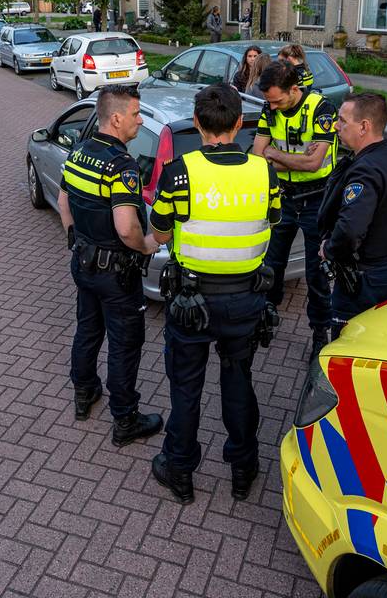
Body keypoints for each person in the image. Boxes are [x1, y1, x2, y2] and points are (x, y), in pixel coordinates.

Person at [149, 84, 281, 505]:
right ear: (239, 123)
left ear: (197, 122)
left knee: (186, 389)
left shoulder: (179, 172)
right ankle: (243, 469)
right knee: (238, 383)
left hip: (191, 302)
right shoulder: (264, 172)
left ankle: (180, 470)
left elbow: (160, 233)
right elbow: (273, 219)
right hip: (245, 301)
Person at [55, 84, 163, 444]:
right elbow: (126, 227)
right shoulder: (122, 165)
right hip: (117, 275)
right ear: (116, 119)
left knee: (87, 330)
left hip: (84, 264)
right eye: (136, 113)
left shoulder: (79, 151)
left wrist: (78, 241)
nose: (140, 120)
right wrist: (146, 246)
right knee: (124, 344)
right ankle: (125, 419)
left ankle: (84, 393)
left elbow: (64, 201)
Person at [252, 62, 338, 361]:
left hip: (317, 199)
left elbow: (315, 164)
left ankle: (320, 334)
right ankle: (267, 316)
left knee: (317, 273)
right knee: (272, 264)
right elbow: (257, 157)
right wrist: (287, 159)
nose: (272, 107)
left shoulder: (321, 109)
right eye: (269, 101)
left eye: (277, 100)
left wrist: (274, 154)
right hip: (284, 197)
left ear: (293, 89)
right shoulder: (269, 108)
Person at [317, 94, 387, 338]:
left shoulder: (365, 170)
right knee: (374, 336)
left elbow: (350, 230)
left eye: (343, 120)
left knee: (348, 340)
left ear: (364, 126)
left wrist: (329, 249)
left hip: (365, 278)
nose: (336, 126)